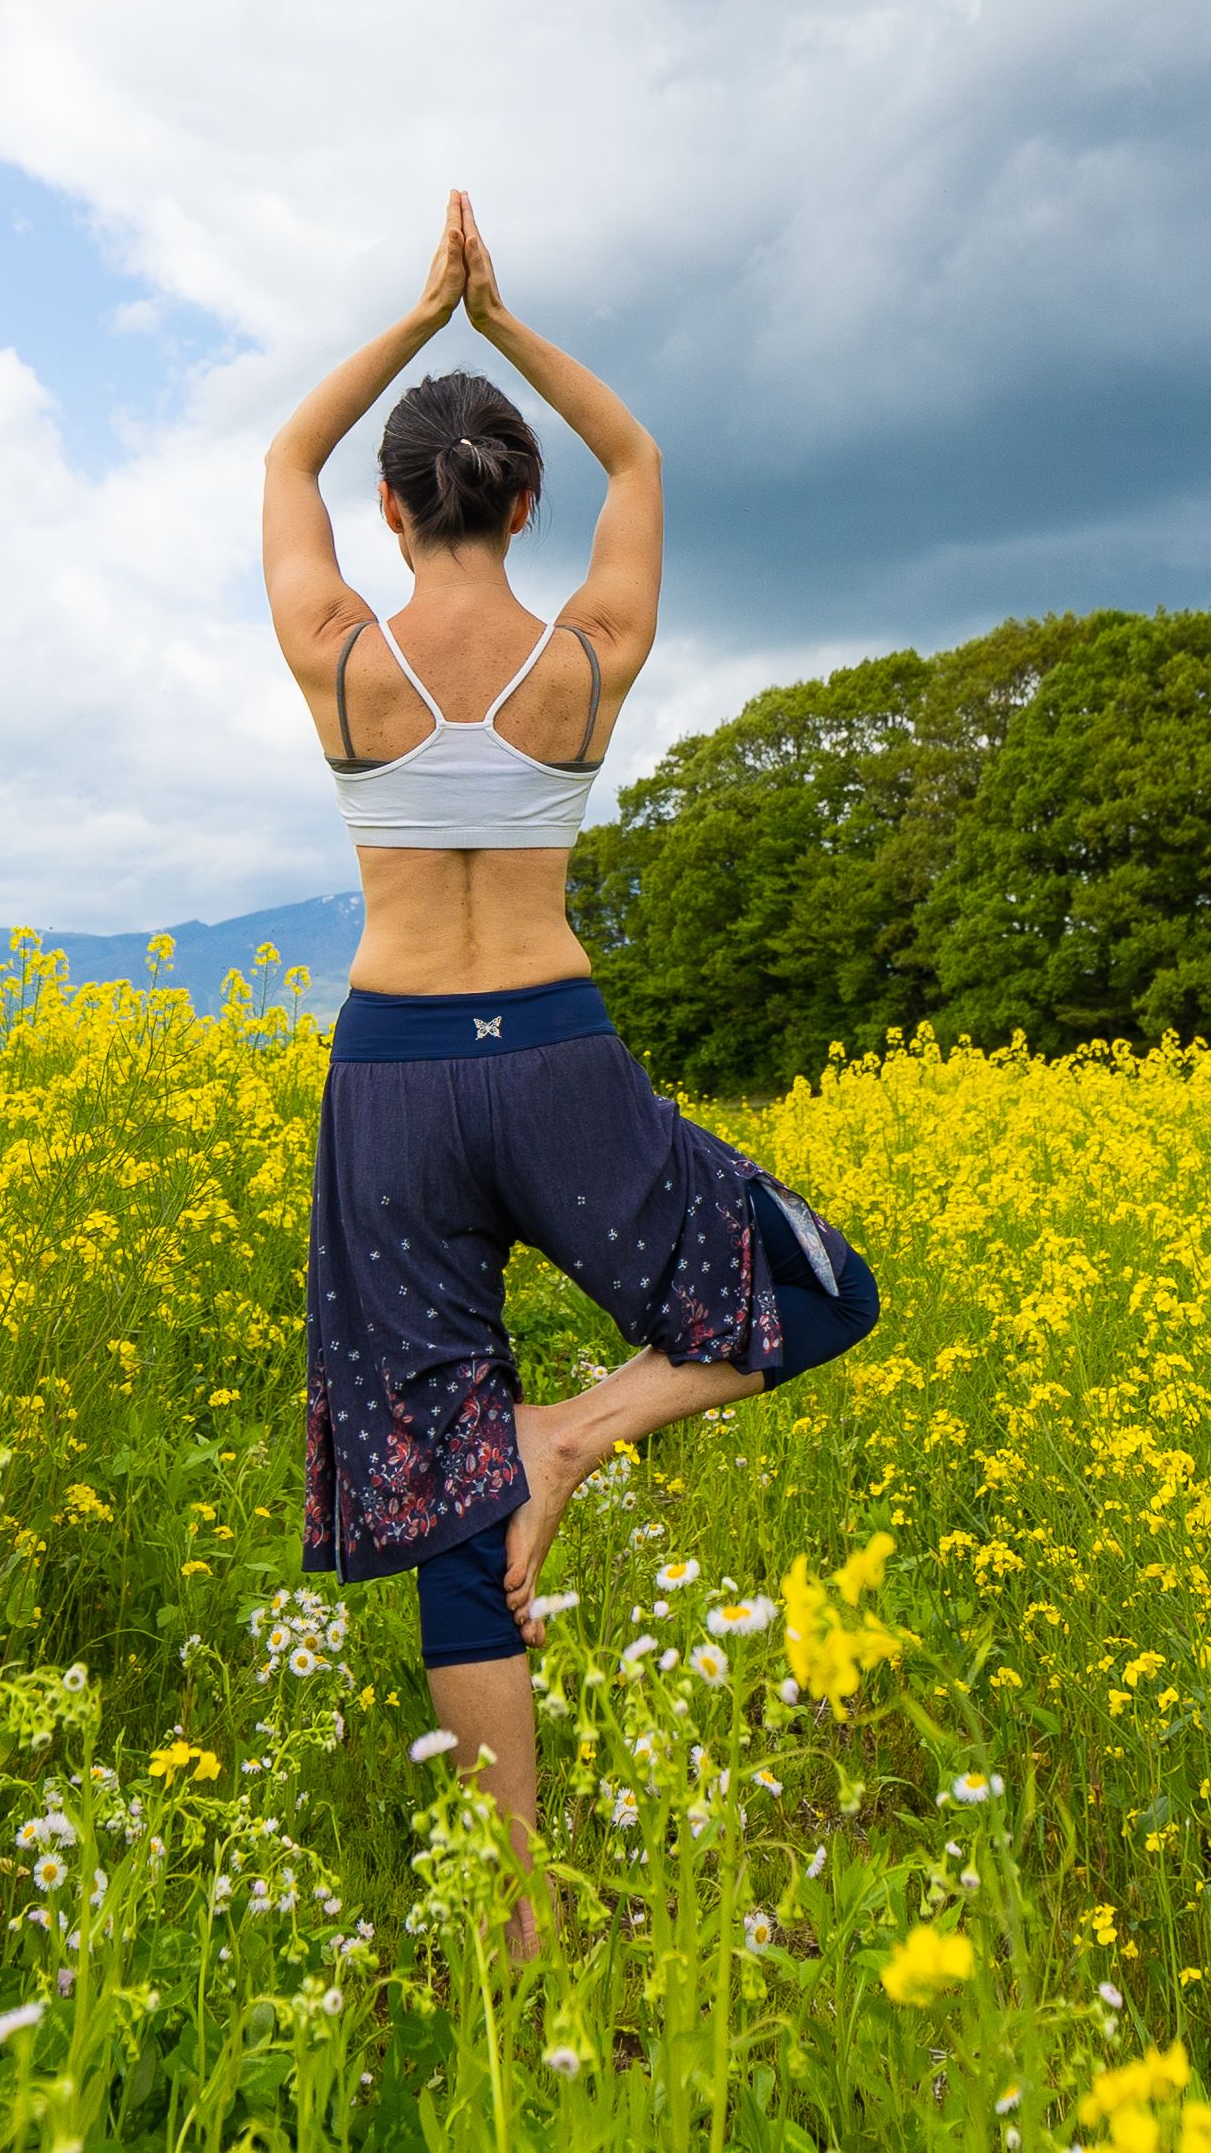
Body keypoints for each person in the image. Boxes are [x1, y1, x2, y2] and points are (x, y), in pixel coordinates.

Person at [265, 192, 883, 1910]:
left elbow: (283, 453)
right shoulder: (587, 658)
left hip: (390, 1073)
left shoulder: (336, 657)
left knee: (442, 1467)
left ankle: (519, 1912)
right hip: (555, 1050)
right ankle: (582, 1433)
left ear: (391, 510)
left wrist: (418, 318)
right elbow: (646, 452)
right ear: (523, 500)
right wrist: (503, 324)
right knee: (822, 1289)